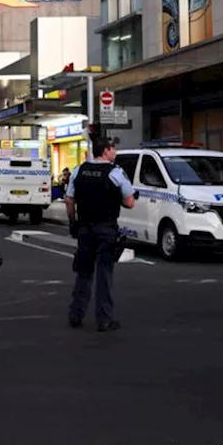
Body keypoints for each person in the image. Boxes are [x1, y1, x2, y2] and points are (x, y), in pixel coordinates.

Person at [64, 138, 137, 332]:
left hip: (85, 228)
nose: (115, 153)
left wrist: (73, 222)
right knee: (104, 274)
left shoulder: (79, 170)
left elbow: (69, 200)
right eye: (113, 149)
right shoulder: (116, 172)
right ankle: (104, 319)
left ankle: (76, 315)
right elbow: (130, 202)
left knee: (83, 272)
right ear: (106, 151)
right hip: (106, 228)